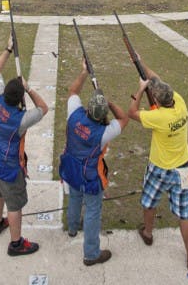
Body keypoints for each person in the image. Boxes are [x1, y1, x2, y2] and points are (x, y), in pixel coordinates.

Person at [0, 35, 48, 256]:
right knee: (15, 205)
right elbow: (43, 108)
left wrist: (8, 49)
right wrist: (28, 89)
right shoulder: (21, 119)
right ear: (18, 98)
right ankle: (16, 243)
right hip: (7, 166)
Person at [128, 58, 188, 273]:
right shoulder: (180, 102)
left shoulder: (158, 117)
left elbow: (132, 113)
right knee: (184, 214)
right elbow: (157, 79)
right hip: (182, 168)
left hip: (158, 168)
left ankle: (148, 233)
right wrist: (139, 62)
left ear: (157, 101)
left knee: (149, 201)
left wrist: (140, 90)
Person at [59, 60, 129, 266]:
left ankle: (72, 228)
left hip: (70, 168)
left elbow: (73, 91)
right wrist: (110, 104)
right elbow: (123, 119)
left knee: (74, 197)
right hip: (90, 176)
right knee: (92, 211)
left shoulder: (74, 113)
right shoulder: (104, 132)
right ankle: (91, 253)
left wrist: (83, 72)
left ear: (88, 109)